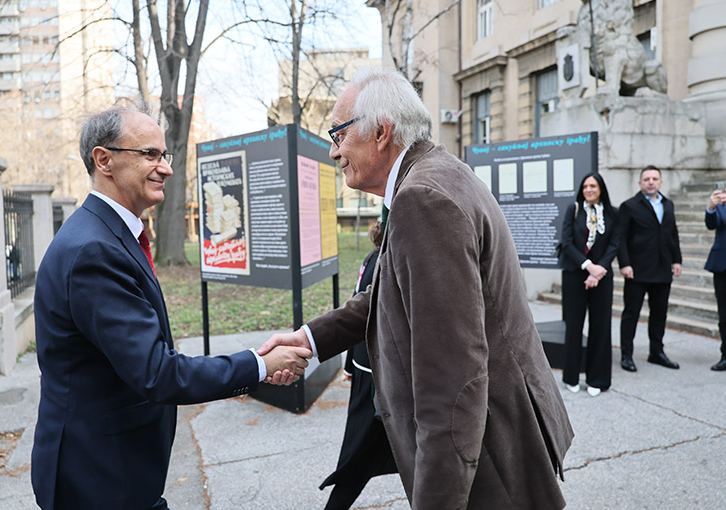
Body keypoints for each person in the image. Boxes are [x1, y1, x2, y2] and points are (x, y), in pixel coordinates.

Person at [259, 68, 573, 509]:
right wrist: (309, 338)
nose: (333, 152)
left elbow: (452, 380)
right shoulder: (435, 174)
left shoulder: (422, 199)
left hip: (487, 458)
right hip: (498, 435)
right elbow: (391, 290)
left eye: (338, 134)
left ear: (381, 131)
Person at [30, 107, 310, 510]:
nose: (166, 169)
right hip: (97, 478)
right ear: (103, 159)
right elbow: (158, 372)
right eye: (150, 155)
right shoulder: (94, 249)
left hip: (117, 470)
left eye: (165, 156)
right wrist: (261, 364)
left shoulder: (107, 235)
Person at [319, 220, 396, 509]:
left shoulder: (372, 258)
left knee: (363, 451)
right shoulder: (382, 261)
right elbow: (359, 315)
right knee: (358, 452)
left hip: (367, 367)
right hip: (375, 372)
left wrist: (351, 365)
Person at [558, 173, 620, 396]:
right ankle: (571, 376)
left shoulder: (613, 213)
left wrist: (598, 270)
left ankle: (597, 379)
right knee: (574, 326)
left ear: (601, 188)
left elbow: (615, 244)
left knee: (600, 327)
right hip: (576, 273)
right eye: (585, 186)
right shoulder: (573, 210)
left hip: (602, 276)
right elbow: (567, 242)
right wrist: (588, 266)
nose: (589, 190)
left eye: (593, 186)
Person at [618, 165, 683, 372]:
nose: (651, 182)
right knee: (631, 314)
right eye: (647, 179)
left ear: (661, 182)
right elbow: (621, 238)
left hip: (663, 269)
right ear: (640, 183)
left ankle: (657, 352)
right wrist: (625, 264)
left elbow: (672, 234)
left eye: (655, 178)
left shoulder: (668, 204)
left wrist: (677, 260)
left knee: (659, 313)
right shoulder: (629, 206)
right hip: (637, 270)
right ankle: (627, 354)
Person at [704, 186, 726, 371]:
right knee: (724, 314)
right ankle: (725, 354)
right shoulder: (719, 207)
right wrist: (711, 207)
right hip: (722, 266)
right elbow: (712, 224)